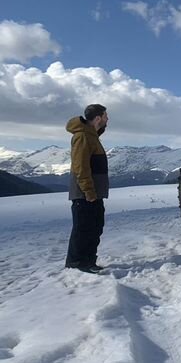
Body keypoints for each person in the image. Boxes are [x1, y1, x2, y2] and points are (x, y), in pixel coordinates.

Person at [65, 104, 109, 274]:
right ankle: (77, 264)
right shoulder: (82, 136)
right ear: (97, 118)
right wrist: (88, 191)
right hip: (85, 194)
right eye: (105, 116)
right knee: (83, 228)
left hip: (93, 193)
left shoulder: (92, 136)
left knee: (95, 226)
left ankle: (88, 261)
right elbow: (80, 166)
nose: (107, 119)